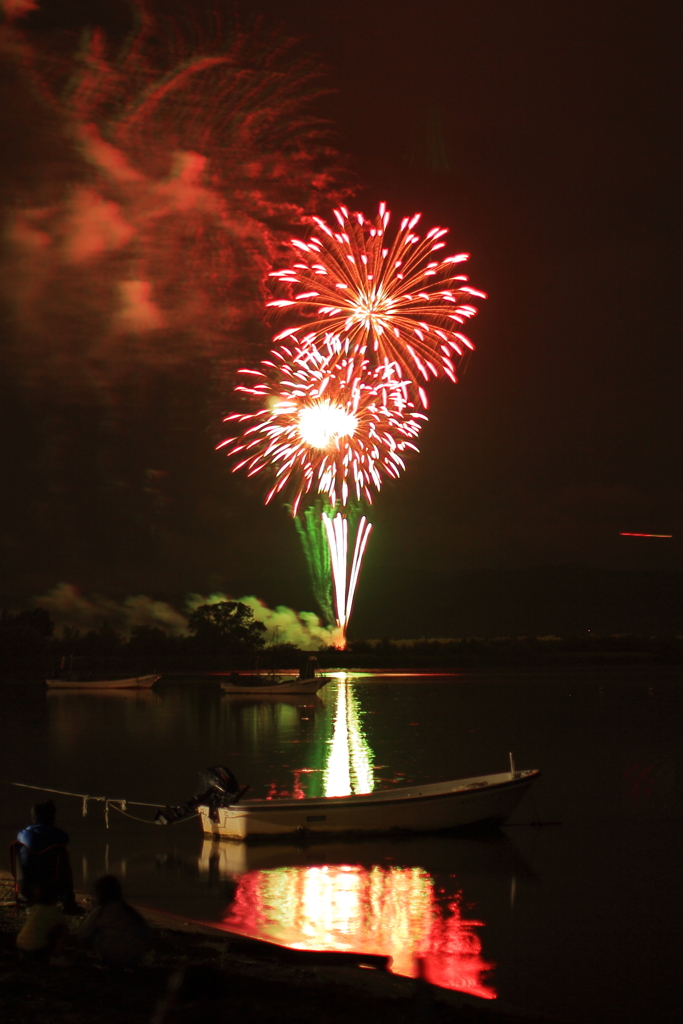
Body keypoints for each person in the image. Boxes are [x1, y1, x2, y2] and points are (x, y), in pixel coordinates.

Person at [16, 800, 83, 915]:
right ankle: (67, 902)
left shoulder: (22, 834)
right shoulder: (59, 834)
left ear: (34, 817)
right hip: (51, 883)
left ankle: (29, 900)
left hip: (26, 884)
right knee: (63, 858)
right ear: (53, 817)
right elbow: (65, 841)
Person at [78, 875, 149, 968]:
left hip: (113, 955)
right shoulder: (128, 911)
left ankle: (101, 958)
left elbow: (83, 933)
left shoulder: (101, 911)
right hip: (134, 956)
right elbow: (145, 931)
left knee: (94, 932)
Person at [15, 881, 71, 964]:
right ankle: (54, 957)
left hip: (21, 947)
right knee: (60, 929)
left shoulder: (34, 908)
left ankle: (26, 956)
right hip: (37, 951)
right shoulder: (55, 912)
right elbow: (66, 931)